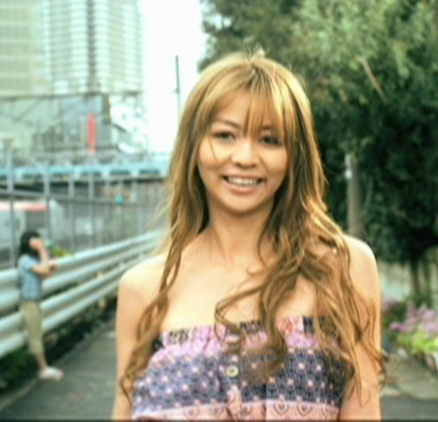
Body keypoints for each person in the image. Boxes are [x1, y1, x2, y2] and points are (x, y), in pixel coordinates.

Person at [113, 51, 383, 420]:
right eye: (225, 135)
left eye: (270, 140)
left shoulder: (344, 268)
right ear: (194, 148)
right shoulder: (145, 289)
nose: (245, 157)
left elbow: (364, 410)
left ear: (294, 156)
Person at [17, 229, 64, 381]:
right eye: (36, 240)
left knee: (37, 333)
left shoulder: (33, 260)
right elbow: (43, 270)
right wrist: (43, 251)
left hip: (35, 301)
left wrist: (50, 267)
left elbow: (44, 273)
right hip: (28, 302)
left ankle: (44, 367)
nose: (40, 242)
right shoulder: (24, 260)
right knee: (35, 336)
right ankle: (43, 368)